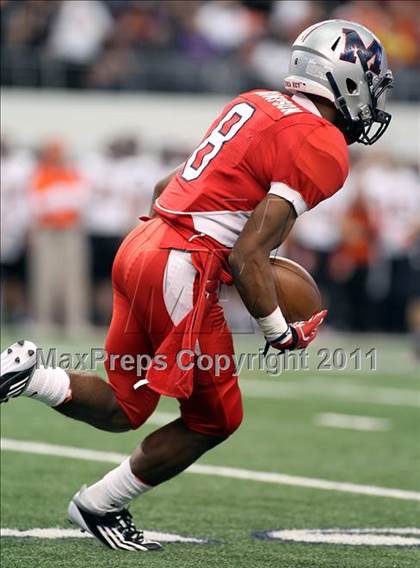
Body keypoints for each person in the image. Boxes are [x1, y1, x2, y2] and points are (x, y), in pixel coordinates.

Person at [1, 20, 394, 552]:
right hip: (179, 262)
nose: (373, 96)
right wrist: (279, 332)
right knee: (215, 418)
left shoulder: (255, 101)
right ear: (343, 78)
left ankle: (30, 377)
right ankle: (99, 503)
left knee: (125, 406)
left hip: (144, 243)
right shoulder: (322, 142)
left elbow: (170, 187)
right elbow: (248, 252)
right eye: (370, 80)